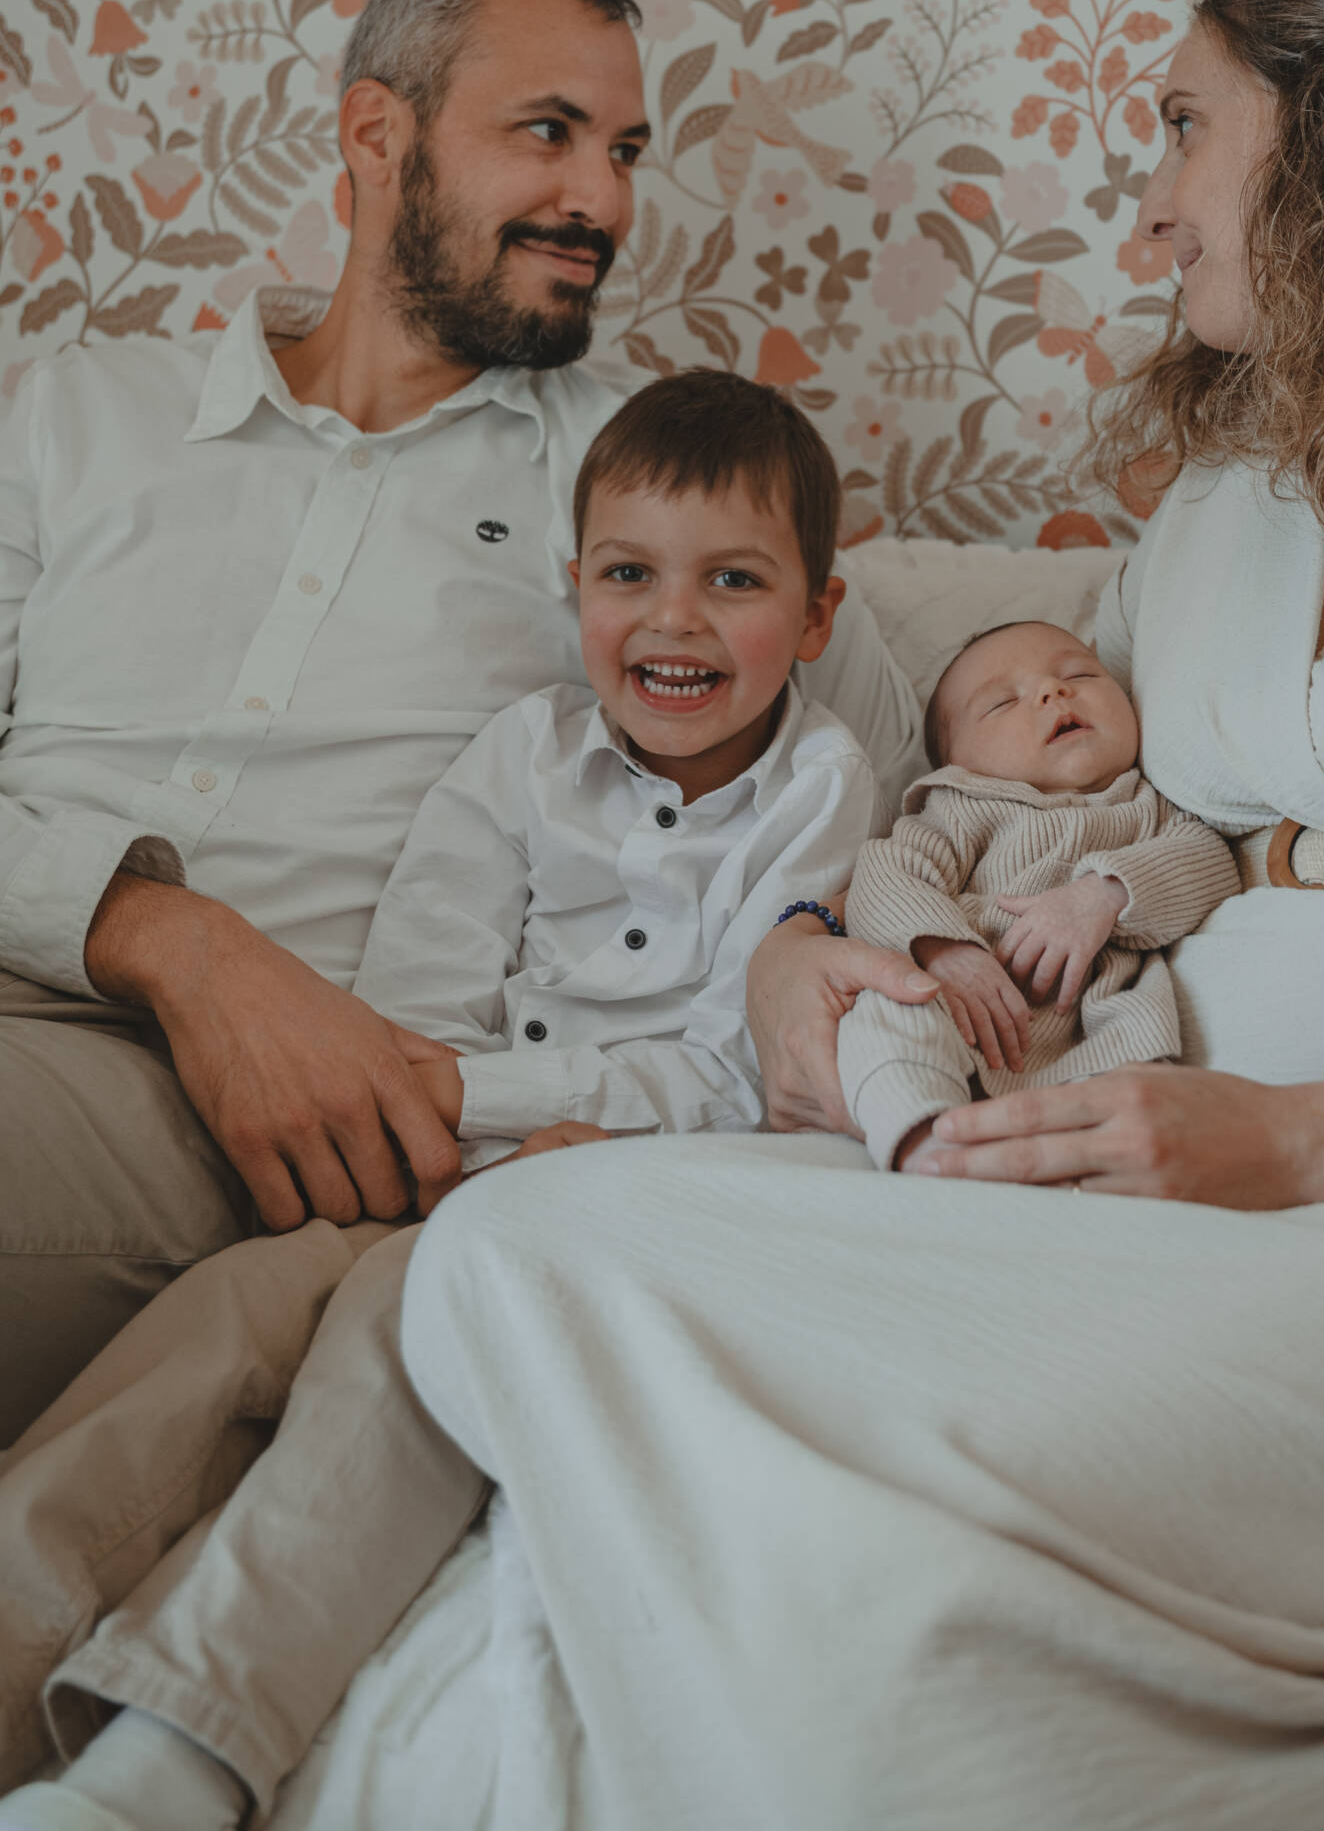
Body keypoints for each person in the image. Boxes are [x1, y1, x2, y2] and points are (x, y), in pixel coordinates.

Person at [396, 0, 1324, 1831]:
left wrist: (1307, 1143)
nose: (1149, 205)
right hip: (1147, 1183)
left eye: (1182, 129)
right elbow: (969, 778)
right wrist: (792, 950)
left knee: (962, 1483)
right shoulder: (1221, 514)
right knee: (506, 1256)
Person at [0, 0, 927, 1780]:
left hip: (268, 1124)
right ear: (378, 137)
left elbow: (869, 790)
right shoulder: (75, 414)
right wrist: (168, 936)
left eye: (625, 150)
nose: (602, 201)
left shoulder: (641, 507)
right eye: (547, 134)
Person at [2, 372, 878, 1831]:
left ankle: (174, 1750)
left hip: (631, 1188)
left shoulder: (821, 788)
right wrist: (449, 1120)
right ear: (573, 584)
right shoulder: (519, 758)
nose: (672, 621)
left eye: (733, 581)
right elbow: (417, 1001)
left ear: (818, 616)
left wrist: (495, 1113)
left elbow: (738, 1062)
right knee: (215, 1327)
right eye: (628, 576)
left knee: (379, 1348)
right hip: (437, 1159)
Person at [838, 622, 1235, 1173]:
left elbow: (1208, 860)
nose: (1054, 691)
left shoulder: (1150, 804)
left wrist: (1103, 895)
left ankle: (1089, 1160)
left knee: (1144, 1075)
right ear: (955, 763)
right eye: (1003, 703)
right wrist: (945, 950)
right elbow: (885, 874)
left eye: (1081, 675)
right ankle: (926, 1144)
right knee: (885, 1012)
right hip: (962, 1008)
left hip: (1096, 1019)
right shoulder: (958, 807)